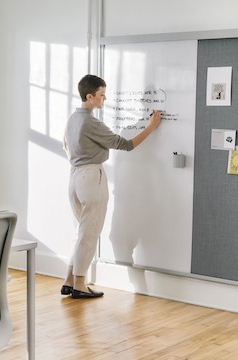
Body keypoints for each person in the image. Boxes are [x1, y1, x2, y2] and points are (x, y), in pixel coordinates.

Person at [62, 74, 162, 299]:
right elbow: (125, 144)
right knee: (89, 234)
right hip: (90, 178)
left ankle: (69, 280)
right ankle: (79, 284)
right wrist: (151, 127)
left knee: (80, 232)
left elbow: (65, 144)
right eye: (101, 95)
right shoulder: (91, 122)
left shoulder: (72, 119)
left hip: (74, 177)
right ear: (90, 96)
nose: (104, 99)